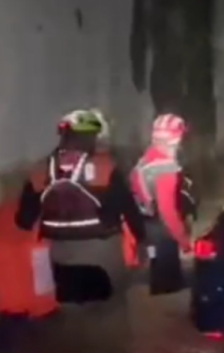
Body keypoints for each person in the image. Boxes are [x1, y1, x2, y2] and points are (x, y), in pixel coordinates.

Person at [15, 109, 146, 303]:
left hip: (60, 256)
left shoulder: (41, 169)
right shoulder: (106, 167)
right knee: (110, 314)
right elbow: (129, 211)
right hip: (103, 254)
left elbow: (24, 221)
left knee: (71, 316)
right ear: (92, 137)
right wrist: (142, 241)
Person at [130, 113, 194, 294]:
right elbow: (167, 210)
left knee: (156, 261)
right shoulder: (165, 168)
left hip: (148, 220)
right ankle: (167, 289)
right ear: (176, 139)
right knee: (168, 270)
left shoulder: (146, 159)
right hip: (162, 227)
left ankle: (159, 284)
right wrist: (183, 240)